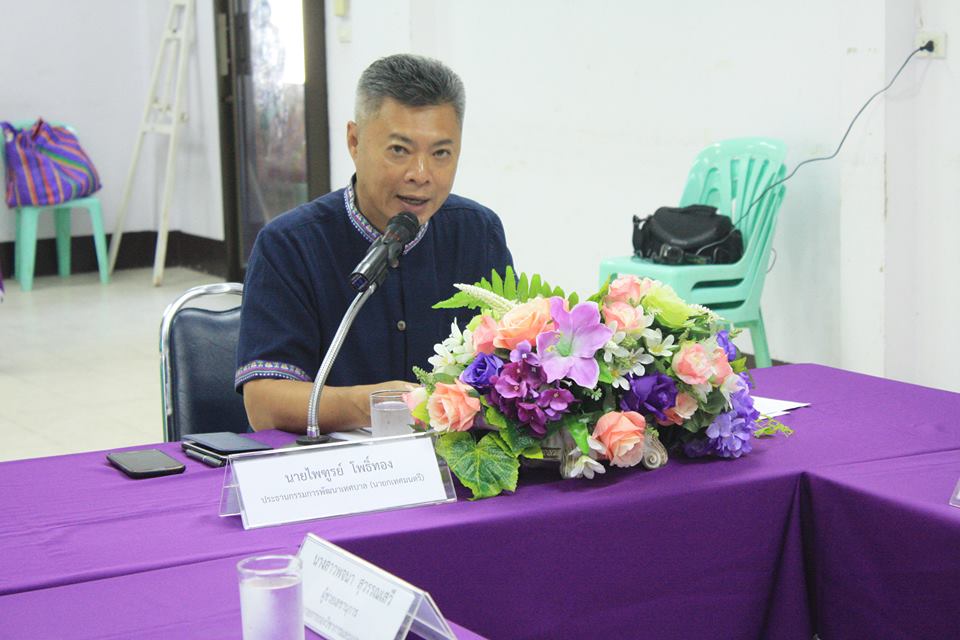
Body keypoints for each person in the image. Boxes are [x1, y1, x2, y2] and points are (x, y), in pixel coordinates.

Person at [235, 54, 513, 434]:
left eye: (440, 153)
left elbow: (510, 367)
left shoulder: (478, 232)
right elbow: (265, 406)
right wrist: (381, 405)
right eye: (399, 150)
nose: (421, 174)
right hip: (334, 462)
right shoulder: (289, 245)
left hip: (453, 459)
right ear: (355, 141)